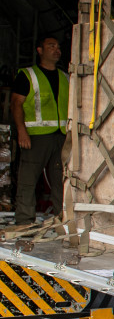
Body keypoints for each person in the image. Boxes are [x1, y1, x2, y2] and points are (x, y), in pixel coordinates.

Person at [10, 35, 68, 225]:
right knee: (28, 181)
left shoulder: (65, 77)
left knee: (60, 181)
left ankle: (62, 219)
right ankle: (24, 221)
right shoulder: (28, 75)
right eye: (51, 46)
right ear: (40, 50)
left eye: (58, 46)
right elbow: (16, 104)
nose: (56, 49)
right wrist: (22, 131)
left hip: (60, 137)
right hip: (35, 137)